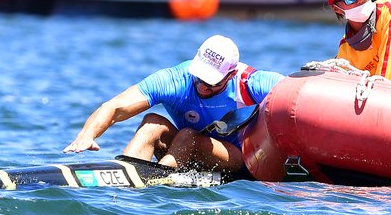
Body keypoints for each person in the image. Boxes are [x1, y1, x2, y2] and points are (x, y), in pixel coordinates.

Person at [64, 35, 283, 171]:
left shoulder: (251, 82)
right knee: (152, 123)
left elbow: (300, 93)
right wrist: (87, 135)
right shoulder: (175, 79)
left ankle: (158, 179)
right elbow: (115, 107)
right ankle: (126, 179)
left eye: (211, 82)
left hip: (238, 158)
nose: (202, 86)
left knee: (188, 136)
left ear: (230, 75)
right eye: (199, 77)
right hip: (182, 147)